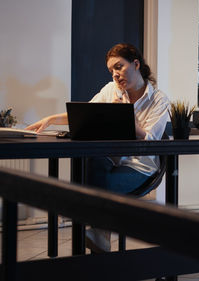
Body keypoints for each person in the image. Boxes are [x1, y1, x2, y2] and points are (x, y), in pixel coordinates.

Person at [26, 43, 170, 252]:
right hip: (111, 159)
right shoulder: (111, 89)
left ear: (136, 64)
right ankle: (99, 236)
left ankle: (99, 234)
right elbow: (87, 113)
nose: (116, 75)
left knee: (93, 183)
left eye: (119, 67)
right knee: (89, 164)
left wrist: (125, 116)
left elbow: (150, 140)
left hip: (140, 167)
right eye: (112, 71)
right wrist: (50, 119)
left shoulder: (159, 100)